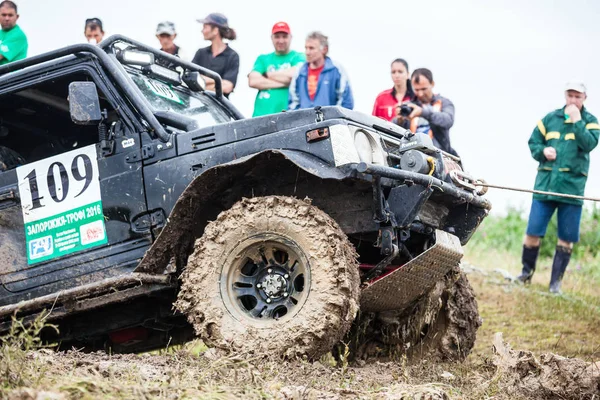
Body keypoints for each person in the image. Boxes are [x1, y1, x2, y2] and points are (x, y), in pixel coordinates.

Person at [517, 81, 599, 293]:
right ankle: (526, 274)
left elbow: (589, 144)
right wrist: (542, 151)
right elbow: (533, 142)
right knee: (532, 232)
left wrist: (577, 121)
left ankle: (555, 284)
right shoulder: (549, 118)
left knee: (567, 238)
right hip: (545, 186)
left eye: (577, 96)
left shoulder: (590, 122)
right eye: (570, 95)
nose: (573, 100)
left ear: (584, 98)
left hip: (572, 190)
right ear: (565, 95)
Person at [248, 22, 305, 117]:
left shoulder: (298, 57)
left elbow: (295, 75)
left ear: (291, 37)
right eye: (277, 36)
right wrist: (285, 82)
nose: (281, 40)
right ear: (272, 38)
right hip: (261, 115)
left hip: (287, 115)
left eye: (284, 36)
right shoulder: (263, 59)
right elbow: (253, 81)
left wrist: (267, 75)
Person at [288, 31, 353, 110]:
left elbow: (345, 102)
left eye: (311, 48)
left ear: (324, 49)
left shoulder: (336, 70)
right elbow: (293, 103)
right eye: (306, 48)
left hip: (330, 121)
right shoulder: (300, 72)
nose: (307, 52)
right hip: (304, 121)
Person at [404, 68, 458, 157]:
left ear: (432, 84)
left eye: (424, 89)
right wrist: (400, 119)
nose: (420, 94)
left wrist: (423, 112)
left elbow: (448, 120)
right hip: (413, 155)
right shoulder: (409, 106)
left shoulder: (444, 103)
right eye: (416, 90)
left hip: (440, 155)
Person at [192, 13, 239, 98]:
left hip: (218, 108)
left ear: (215, 30)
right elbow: (190, 78)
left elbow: (227, 87)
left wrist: (200, 82)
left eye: (205, 27)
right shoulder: (200, 52)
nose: (202, 30)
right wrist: (217, 81)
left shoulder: (232, 56)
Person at [0, 1, 27, 65]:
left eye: (10, 15)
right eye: (4, 15)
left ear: (17, 17)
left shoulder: (18, 35)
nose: (7, 18)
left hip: (11, 74)